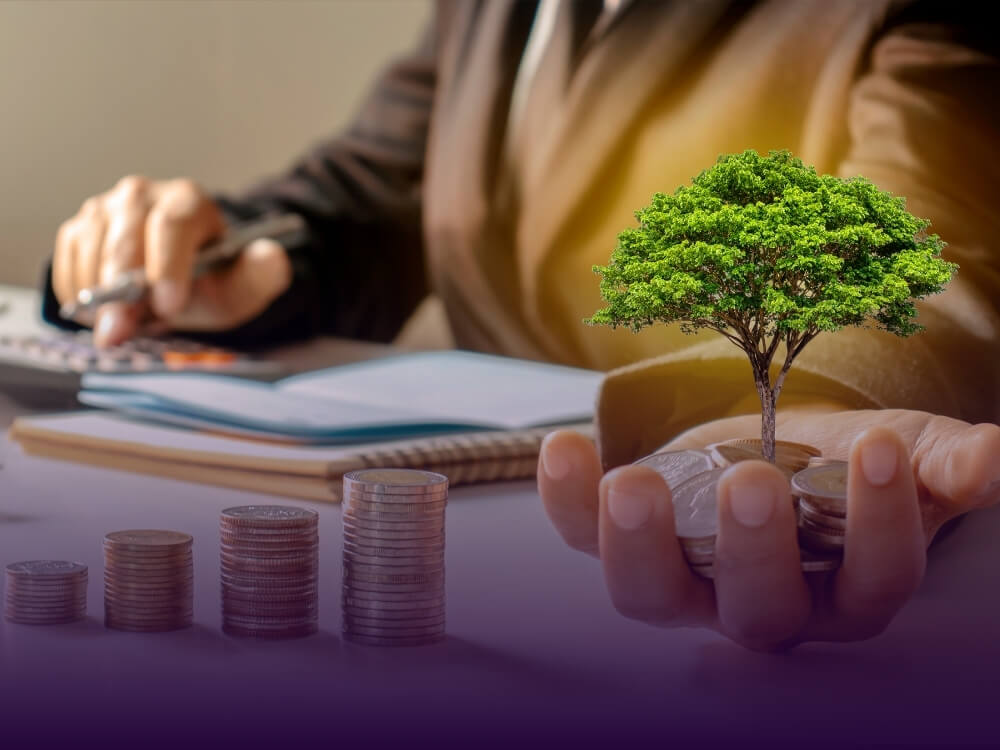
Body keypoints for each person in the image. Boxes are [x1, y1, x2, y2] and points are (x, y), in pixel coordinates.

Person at [45, 0, 1000, 650]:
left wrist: (806, 402)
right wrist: (251, 262)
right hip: (506, 592)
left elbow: (923, 236)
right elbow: (374, 197)